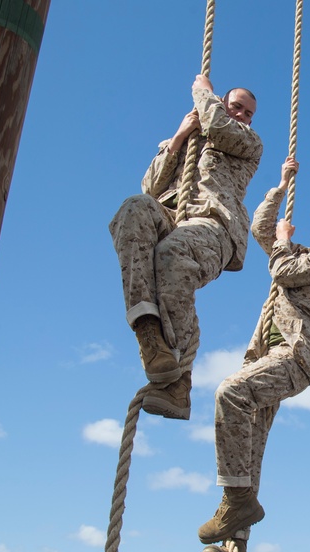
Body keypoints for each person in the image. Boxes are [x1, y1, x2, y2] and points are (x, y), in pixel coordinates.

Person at [198, 156, 310, 552]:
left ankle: (235, 501)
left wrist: (285, 239)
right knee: (250, 447)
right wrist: (280, 188)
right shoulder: (298, 251)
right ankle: (237, 549)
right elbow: (260, 230)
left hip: (296, 356)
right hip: (266, 358)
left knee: (229, 392)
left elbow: (282, 267)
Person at [110, 74, 262, 420]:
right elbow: (150, 187)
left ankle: (180, 378)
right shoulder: (188, 136)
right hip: (172, 218)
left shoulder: (247, 142)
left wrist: (202, 93)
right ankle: (150, 334)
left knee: (172, 254)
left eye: (248, 113)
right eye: (236, 107)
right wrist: (178, 138)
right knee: (133, 209)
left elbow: (220, 128)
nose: (241, 115)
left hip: (214, 225)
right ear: (225, 103)